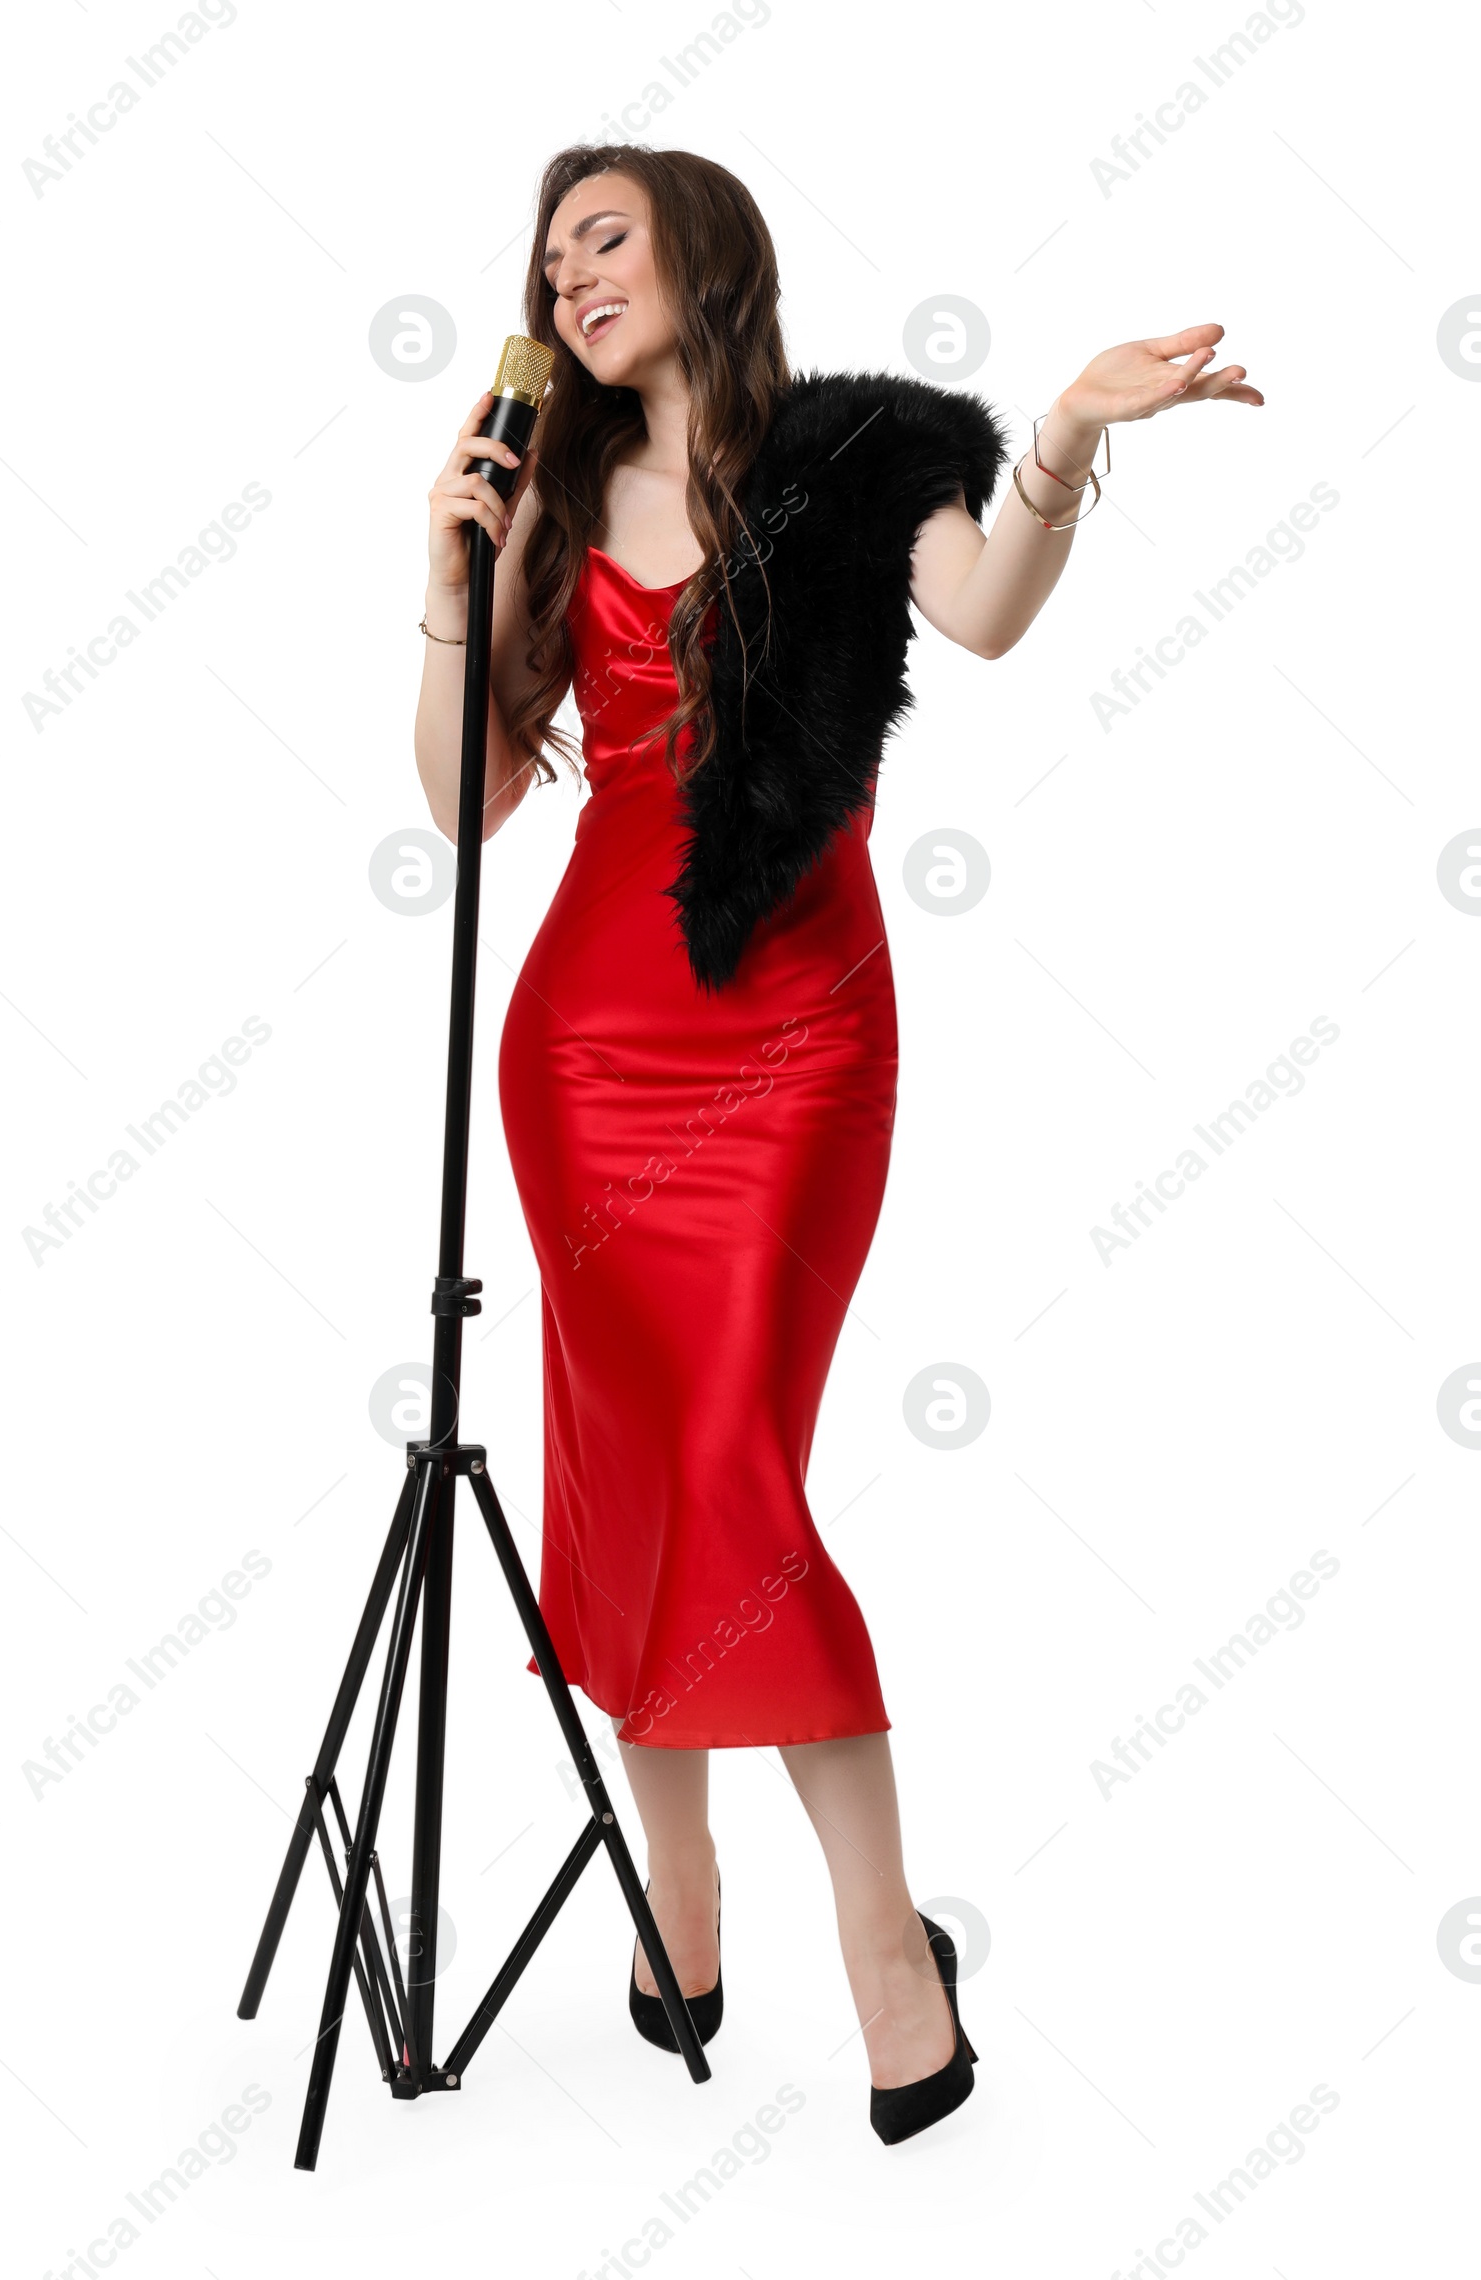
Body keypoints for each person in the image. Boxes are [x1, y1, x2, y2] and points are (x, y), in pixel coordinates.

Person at [414, 143, 1261, 2142]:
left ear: (701, 249)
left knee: (725, 1463)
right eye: (548, 255)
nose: (568, 273)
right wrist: (447, 588)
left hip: (792, 1038)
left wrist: (1053, 433)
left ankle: (885, 1949)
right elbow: (464, 810)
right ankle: (680, 1887)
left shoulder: (854, 452)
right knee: (625, 1459)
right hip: (580, 1050)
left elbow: (976, 616)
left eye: (601, 235)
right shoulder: (538, 494)